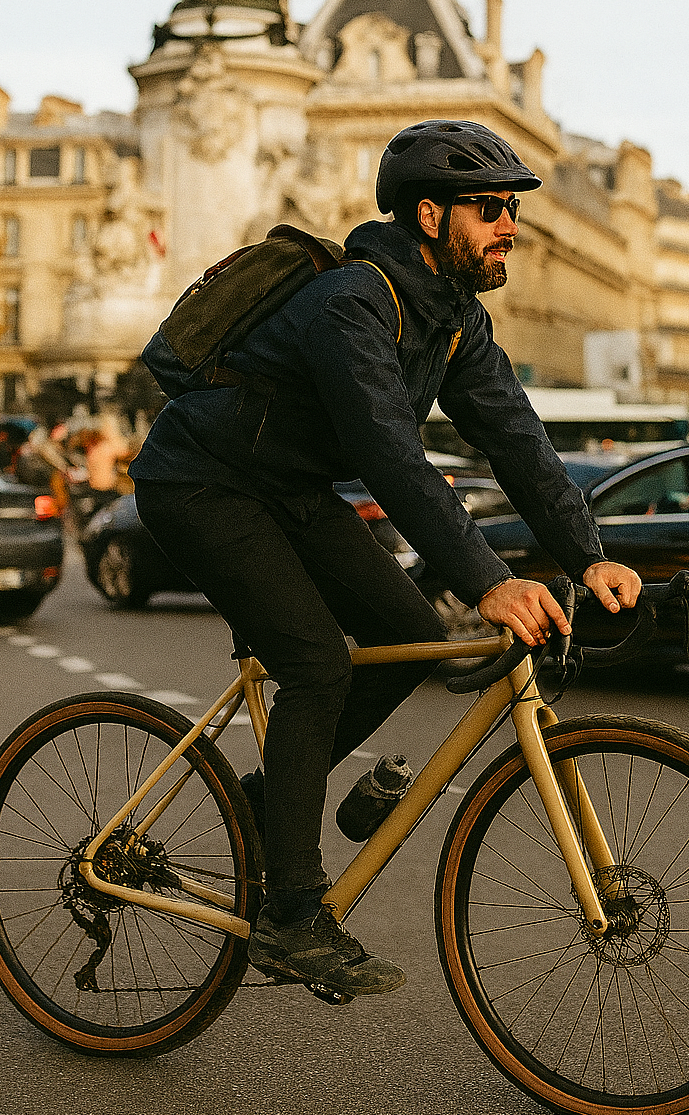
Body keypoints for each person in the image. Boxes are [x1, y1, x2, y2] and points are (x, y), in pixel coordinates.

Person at [130, 120, 641, 997]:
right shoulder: (353, 303)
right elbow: (390, 454)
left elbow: (517, 439)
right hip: (201, 482)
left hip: (287, 489)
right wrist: (488, 581)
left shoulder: (454, 321)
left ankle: (265, 803)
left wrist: (587, 554)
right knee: (318, 661)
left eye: (509, 208)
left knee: (406, 634)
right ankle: (291, 915)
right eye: (491, 209)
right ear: (431, 216)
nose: (509, 225)